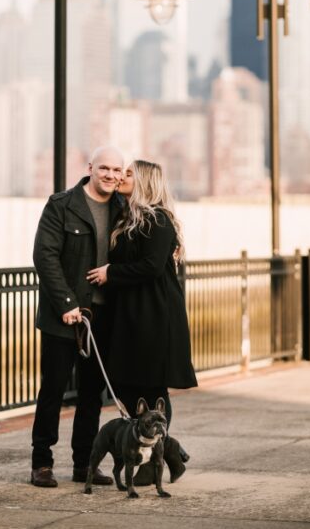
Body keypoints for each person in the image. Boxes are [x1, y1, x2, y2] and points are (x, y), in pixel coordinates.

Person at [86, 159, 195, 484]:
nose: (120, 176)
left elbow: (150, 265)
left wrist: (111, 273)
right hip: (131, 315)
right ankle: (171, 453)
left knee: (151, 388)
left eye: (129, 173)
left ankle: (156, 460)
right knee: (126, 386)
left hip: (154, 316)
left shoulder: (158, 219)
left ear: (145, 181)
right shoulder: (128, 215)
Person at [29, 146, 126, 488]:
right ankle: (41, 463)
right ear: (90, 168)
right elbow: (45, 255)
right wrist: (66, 302)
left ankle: (84, 464)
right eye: (105, 168)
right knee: (53, 391)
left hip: (103, 317)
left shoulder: (123, 208)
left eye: (117, 170)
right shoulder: (62, 205)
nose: (111, 175)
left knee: (91, 395)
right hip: (64, 317)